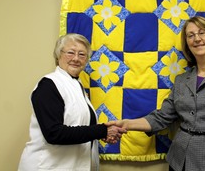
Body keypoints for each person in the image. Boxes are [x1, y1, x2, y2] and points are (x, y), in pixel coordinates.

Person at [107, 16, 205, 171]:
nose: (197, 39)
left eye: (202, 33)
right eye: (191, 35)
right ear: (187, 43)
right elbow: (161, 117)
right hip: (181, 161)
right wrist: (127, 124)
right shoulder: (181, 80)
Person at [18, 33, 126, 171]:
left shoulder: (76, 85)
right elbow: (54, 133)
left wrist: (101, 133)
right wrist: (102, 131)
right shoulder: (48, 85)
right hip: (46, 166)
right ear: (58, 55)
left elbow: (79, 126)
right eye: (70, 53)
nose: (76, 58)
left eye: (82, 55)